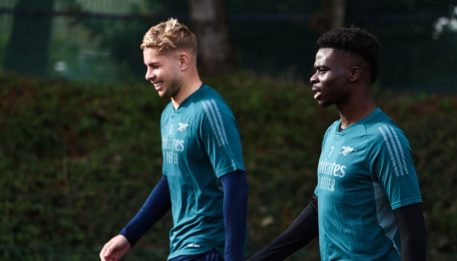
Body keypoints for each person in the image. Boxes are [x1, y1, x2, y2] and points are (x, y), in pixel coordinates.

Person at [250, 27, 427, 260]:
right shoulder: (332, 133)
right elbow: (318, 207)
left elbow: (412, 232)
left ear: (354, 74)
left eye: (322, 70)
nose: (313, 78)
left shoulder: (384, 139)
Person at [99, 18, 248, 261]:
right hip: (181, 248)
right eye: (146, 67)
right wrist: (128, 236)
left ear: (182, 61)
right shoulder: (168, 114)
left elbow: (235, 185)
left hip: (206, 249)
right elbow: (171, 181)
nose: (148, 75)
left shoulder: (210, 112)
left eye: (155, 66)